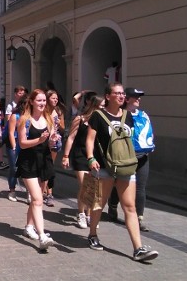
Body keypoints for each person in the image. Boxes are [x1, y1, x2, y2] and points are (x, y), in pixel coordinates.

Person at [85, 82, 158, 262]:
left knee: (130, 207)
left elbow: (129, 140)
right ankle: (92, 234)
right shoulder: (98, 116)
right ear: (108, 96)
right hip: (104, 166)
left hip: (125, 166)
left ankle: (138, 248)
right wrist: (90, 158)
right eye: (117, 93)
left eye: (122, 94)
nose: (121, 96)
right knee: (98, 204)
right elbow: (90, 139)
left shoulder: (128, 116)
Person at [106, 87, 155, 232]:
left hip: (142, 156)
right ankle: (113, 206)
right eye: (136, 97)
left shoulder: (143, 114)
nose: (139, 99)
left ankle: (139, 218)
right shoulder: (121, 115)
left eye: (139, 97)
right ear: (127, 99)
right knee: (119, 184)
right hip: (125, 156)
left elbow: (148, 131)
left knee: (140, 187)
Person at [16, 89, 55, 251]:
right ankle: (42, 236)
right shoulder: (25, 120)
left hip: (44, 161)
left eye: (44, 101)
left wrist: (53, 140)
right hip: (28, 162)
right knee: (38, 199)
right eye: (39, 100)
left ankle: (28, 227)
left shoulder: (48, 119)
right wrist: (39, 140)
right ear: (31, 102)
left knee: (36, 200)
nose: (42, 103)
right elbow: (22, 143)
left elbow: (52, 143)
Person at [62, 95, 104, 229]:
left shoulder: (102, 121)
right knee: (85, 185)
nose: (104, 108)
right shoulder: (80, 119)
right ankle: (81, 213)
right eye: (102, 106)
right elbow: (71, 138)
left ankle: (89, 214)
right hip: (80, 155)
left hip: (95, 157)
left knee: (93, 187)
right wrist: (66, 155)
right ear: (94, 106)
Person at [44, 89, 66, 207]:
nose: (56, 100)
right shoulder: (43, 111)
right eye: (53, 98)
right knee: (44, 167)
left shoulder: (58, 111)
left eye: (57, 98)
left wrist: (58, 123)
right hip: (43, 142)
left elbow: (63, 127)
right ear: (48, 99)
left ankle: (49, 193)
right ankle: (42, 191)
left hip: (55, 141)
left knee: (50, 167)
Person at [5, 96, 27, 202]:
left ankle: (29, 192)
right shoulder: (15, 115)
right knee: (14, 168)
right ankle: (12, 190)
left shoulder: (31, 116)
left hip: (26, 144)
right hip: (14, 143)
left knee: (27, 168)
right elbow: (11, 132)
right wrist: (14, 146)